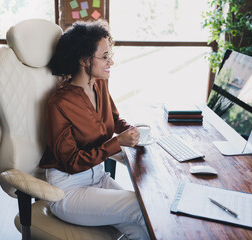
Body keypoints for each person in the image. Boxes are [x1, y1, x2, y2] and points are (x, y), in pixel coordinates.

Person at [39, 20, 150, 240]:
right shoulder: (59, 104)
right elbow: (71, 162)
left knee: (143, 228)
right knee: (143, 209)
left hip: (98, 178)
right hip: (68, 190)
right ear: (83, 60)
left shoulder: (99, 84)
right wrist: (117, 143)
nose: (111, 62)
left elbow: (115, 119)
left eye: (110, 55)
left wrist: (131, 130)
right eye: (105, 57)